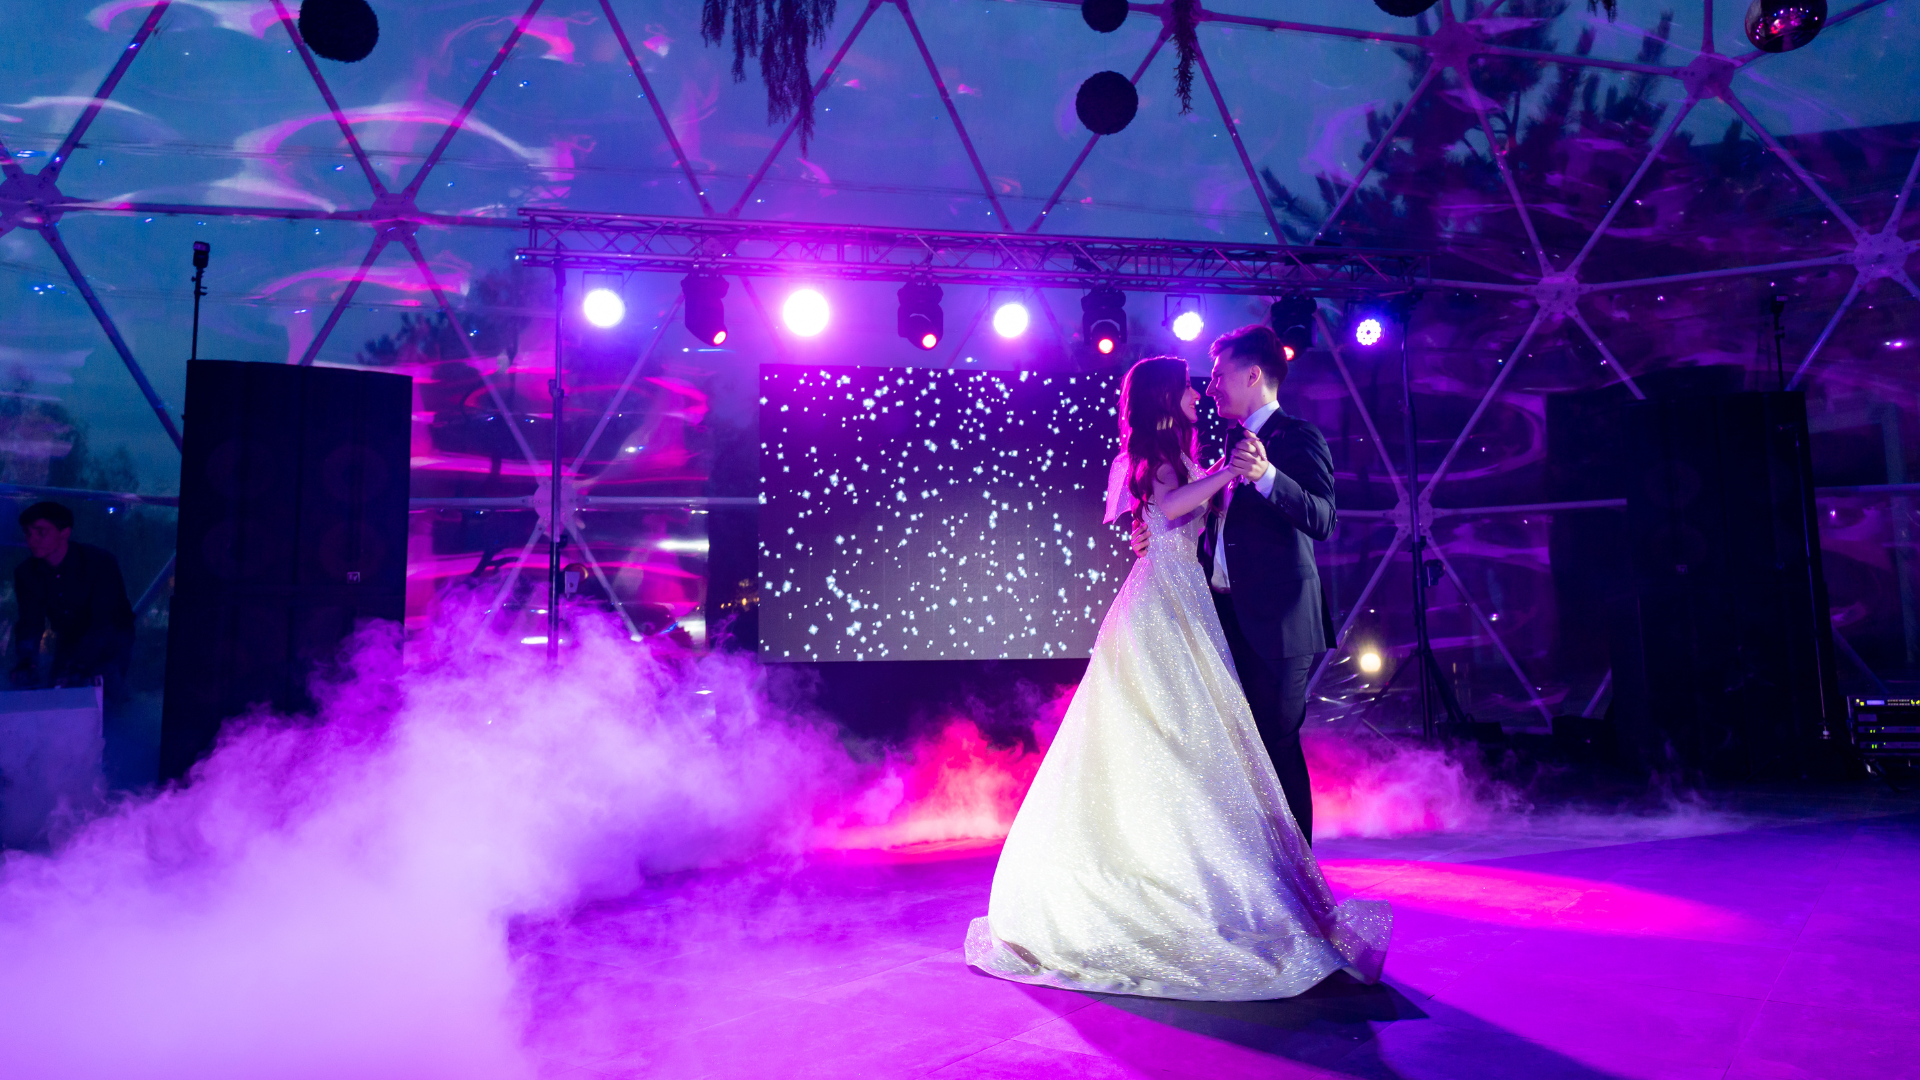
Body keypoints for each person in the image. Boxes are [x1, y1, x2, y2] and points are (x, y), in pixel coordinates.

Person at [964, 356, 1387, 1001]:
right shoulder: (1165, 452)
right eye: (1191, 384)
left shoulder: (1272, 441)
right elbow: (1166, 510)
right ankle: (1214, 885)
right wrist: (1216, 481)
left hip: (1203, 607)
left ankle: (1271, 885)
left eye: (1210, 380)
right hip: (1170, 608)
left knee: (1218, 751)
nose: (1202, 392)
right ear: (1168, 396)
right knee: (1178, 746)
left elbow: (1262, 520)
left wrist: (1220, 487)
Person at [1142, 324, 1339, 844]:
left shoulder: (1297, 438)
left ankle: (1301, 882)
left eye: (1220, 376)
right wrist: (1154, 537)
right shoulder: (1223, 444)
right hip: (1223, 617)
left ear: (1253, 375)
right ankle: (1256, 872)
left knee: (1276, 744)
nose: (1210, 388)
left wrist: (1270, 476)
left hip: (1279, 621)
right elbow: (1208, 524)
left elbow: (1323, 518)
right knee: (1235, 753)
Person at [10, 501, 135, 691]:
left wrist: (79, 665)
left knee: (101, 697)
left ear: (65, 532)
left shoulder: (99, 563)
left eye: (40, 532)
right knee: (61, 694)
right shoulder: (27, 573)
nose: (31, 539)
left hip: (112, 640)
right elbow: (30, 621)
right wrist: (26, 662)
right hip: (70, 638)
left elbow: (105, 620)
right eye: (28, 533)